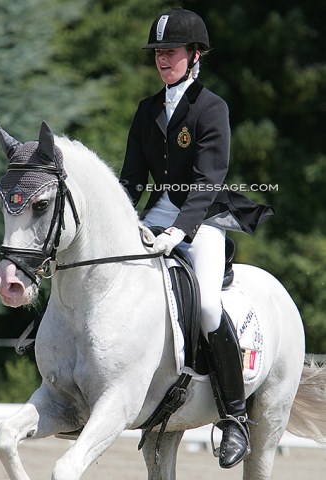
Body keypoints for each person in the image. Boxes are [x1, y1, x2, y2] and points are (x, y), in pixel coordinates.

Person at [119, 7, 274, 469]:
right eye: (158, 53)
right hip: (156, 215)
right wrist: (125, 223)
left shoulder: (211, 108)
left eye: (171, 52)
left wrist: (177, 231)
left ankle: (234, 417)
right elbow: (130, 179)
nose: (162, 60)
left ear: (195, 54)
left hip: (202, 218)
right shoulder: (147, 110)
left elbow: (208, 182)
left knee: (206, 304)